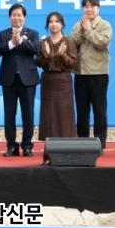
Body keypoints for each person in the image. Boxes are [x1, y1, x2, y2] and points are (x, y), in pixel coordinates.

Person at [0, 4, 40, 157]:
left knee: (28, 114)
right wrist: (11, 43)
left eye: (19, 15)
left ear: (24, 17)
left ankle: (27, 146)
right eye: (13, 15)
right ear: (9, 17)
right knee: (9, 114)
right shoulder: (2, 34)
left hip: (28, 79)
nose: (16, 18)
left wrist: (20, 41)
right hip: (9, 79)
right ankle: (11, 146)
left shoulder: (33, 33)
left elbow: (36, 49)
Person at [69, 0, 112, 150]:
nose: (89, 9)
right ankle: (82, 142)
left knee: (99, 109)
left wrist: (88, 30)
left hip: (98, 73)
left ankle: (100, 143)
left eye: (92, 6)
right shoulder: (78, 25)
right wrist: (81, 30)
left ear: (98, 8)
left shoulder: (105, 25)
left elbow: (102, 43)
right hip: (80, 72)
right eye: (86, 6)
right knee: (82, 110)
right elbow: (71, 43)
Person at [36, 12, 77, 140]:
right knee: (48, 114)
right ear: (47, 25)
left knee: (64, 113)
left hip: (63, 80)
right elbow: (38, 62)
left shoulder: (69, 41)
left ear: (62, 24)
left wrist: (62, 55)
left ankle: (66, 145)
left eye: (57, 21)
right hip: (48, 81)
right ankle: (49, 146)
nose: (54, 24)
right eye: (51, 22)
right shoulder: (43, 42)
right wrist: (47, 55)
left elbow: (73, 63)